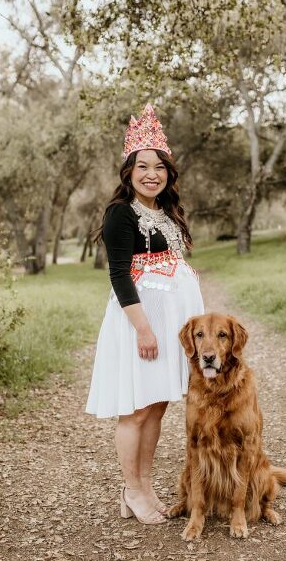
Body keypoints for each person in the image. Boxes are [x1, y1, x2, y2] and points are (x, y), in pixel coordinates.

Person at [85, 104, 204, 525]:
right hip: (140, 323)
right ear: (129, 172)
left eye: (159, 167)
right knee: (135, 409)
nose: (151, 174)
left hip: (169, 324)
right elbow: (120, 274)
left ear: (168, 173)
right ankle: (131, 489)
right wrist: (144, 329)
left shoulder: (166, 212)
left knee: (156, 406)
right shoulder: (121, 213)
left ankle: (145, 487)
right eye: (142, 167)